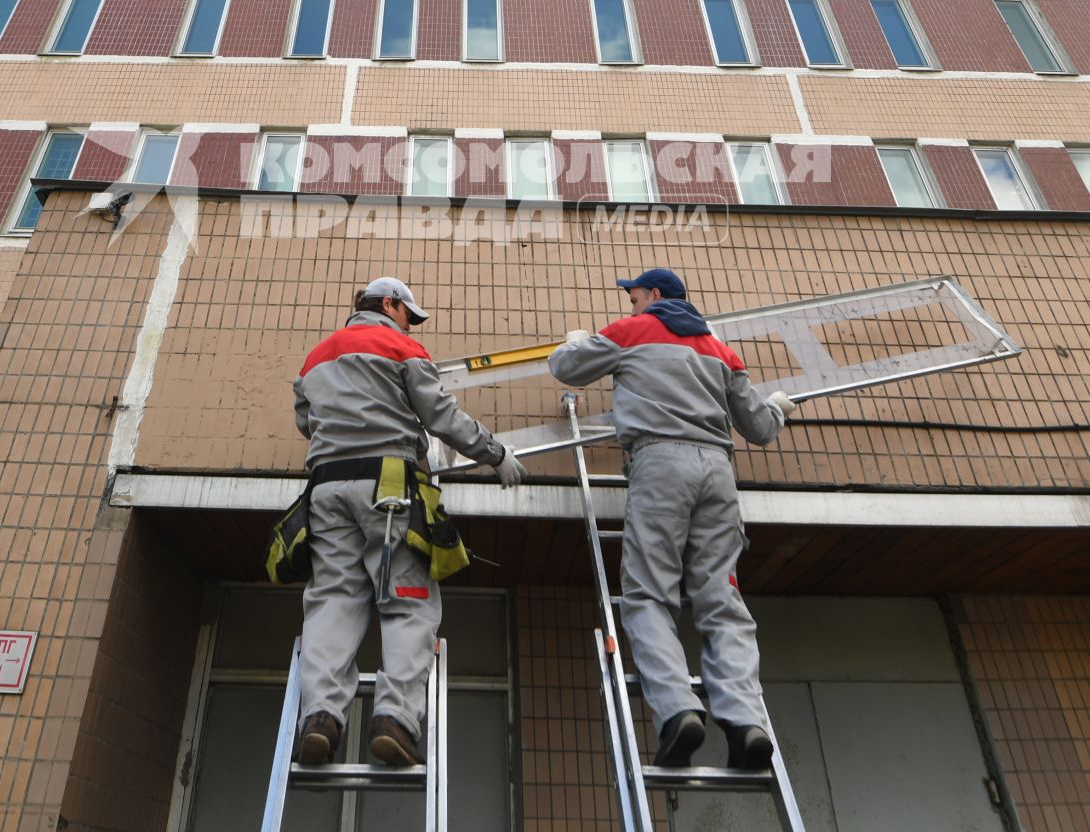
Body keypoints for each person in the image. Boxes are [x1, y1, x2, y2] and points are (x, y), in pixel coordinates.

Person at [547, 267, 795, 771]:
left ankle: (678, 712)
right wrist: (780, 408)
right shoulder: (718, 348)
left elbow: (567, 368)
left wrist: (574, 341)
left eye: (634, 295)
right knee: (722, 600)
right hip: (717, 474)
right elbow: (761, 428)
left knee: (649, 594)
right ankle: (746, 723)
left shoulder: (631, 330)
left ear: (654, 295)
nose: (631, 302)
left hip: (661, 465)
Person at [292, 276, 527, 767]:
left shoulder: (316, 357)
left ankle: (320, 717)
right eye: (408, 313)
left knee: (333, 600)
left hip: (326, 489)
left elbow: (305, 421)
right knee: (407, 600)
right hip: (390, 487)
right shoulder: (400, 347)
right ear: (391, 304)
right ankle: (394, 721)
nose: (410, 323)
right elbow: (440, 415)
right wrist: (495, 453)